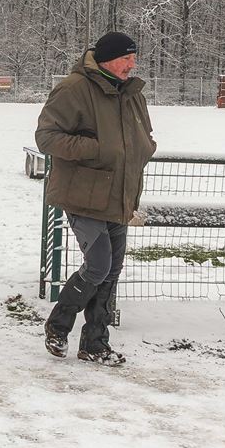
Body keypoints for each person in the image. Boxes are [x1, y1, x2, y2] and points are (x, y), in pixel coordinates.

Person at [34, 31, 156, 366]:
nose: (132, 65)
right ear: (106, 59)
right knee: (99, 265)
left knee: (111, 271)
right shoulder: (74, 89)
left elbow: (143, 136)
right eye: (125, 58)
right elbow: (46, 137)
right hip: (84, 195)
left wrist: (145, 147)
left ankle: (95, 344)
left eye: (133, 58)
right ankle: (58, 326)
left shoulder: (132, 94)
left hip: (120, 194)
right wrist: (95, 149)